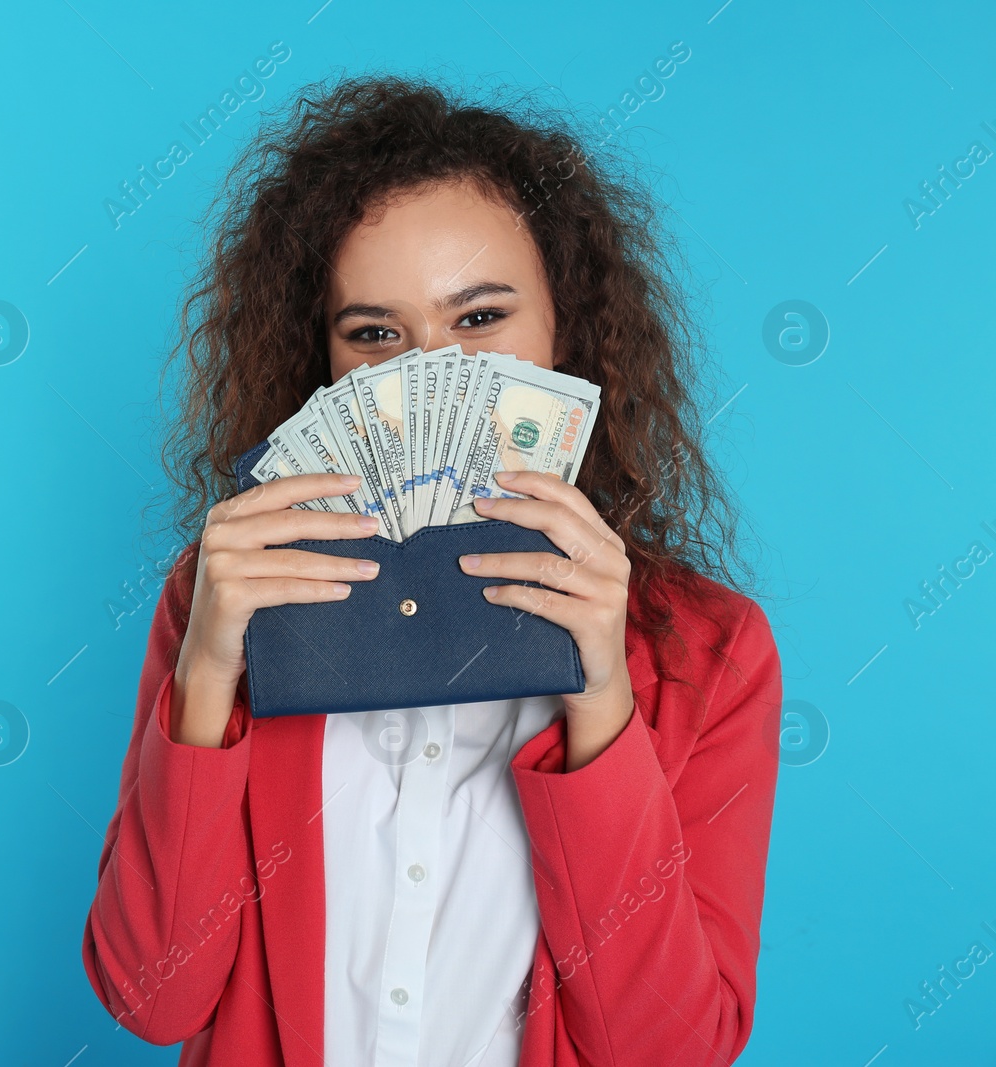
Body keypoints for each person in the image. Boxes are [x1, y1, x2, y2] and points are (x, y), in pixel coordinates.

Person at [81, 73, 781, 1067]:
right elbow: (152, 996)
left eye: (479, 317)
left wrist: (602, 704)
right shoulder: (223, 597)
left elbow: (667, 1048)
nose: (427, 375)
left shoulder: (710, 651)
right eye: (375, 333)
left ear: (565, 337)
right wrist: (206, 675)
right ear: (319, 364)